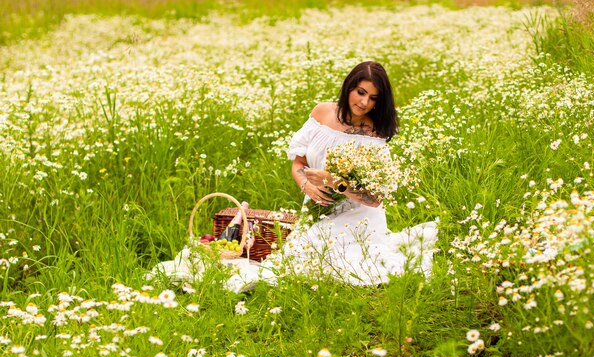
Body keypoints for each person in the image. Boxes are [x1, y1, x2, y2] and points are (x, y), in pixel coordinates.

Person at [148, 61, 437, 291]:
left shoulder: (376, 134)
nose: (364, 102)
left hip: (358, 217)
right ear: (349, 87)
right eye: (360, 92)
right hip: (317, 208)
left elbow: (374, 200)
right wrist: (306, 186)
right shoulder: (323, 113)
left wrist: (335, 182)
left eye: (373, 98)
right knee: (296, 258)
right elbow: (298, 163)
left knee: (321, 263)